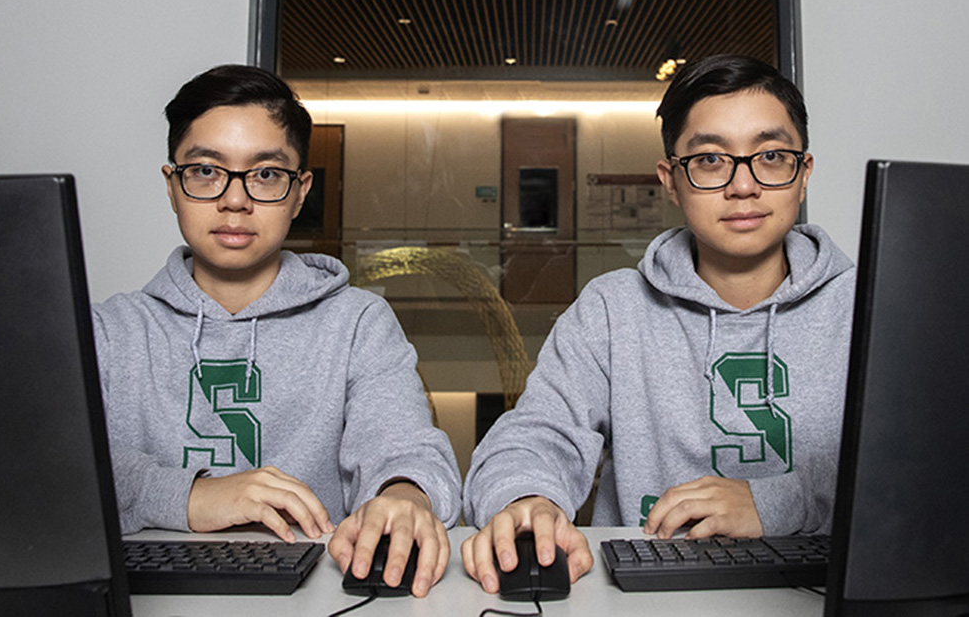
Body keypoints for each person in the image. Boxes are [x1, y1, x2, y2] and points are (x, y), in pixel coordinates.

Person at [461, 54, 855, 593]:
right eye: (712, 160)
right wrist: (527, 499)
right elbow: (535, 434)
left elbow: (930, 474)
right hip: (647, 595)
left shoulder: (865, 306)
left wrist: (773, 501)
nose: (744, 186)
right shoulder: (612, 308)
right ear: (671, 181)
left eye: (770, 155)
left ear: (803, 173)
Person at [92, 64, 461, 597]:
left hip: (316, 599)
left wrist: (405, 496)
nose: (235, 199)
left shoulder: (356, 322)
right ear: (173, 186)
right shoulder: (108, 331)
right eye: (205, 170)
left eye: (265, 174)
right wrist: (192, 498)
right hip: (144, 597)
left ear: (299, 192)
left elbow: (405, 447)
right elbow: (54, 477)